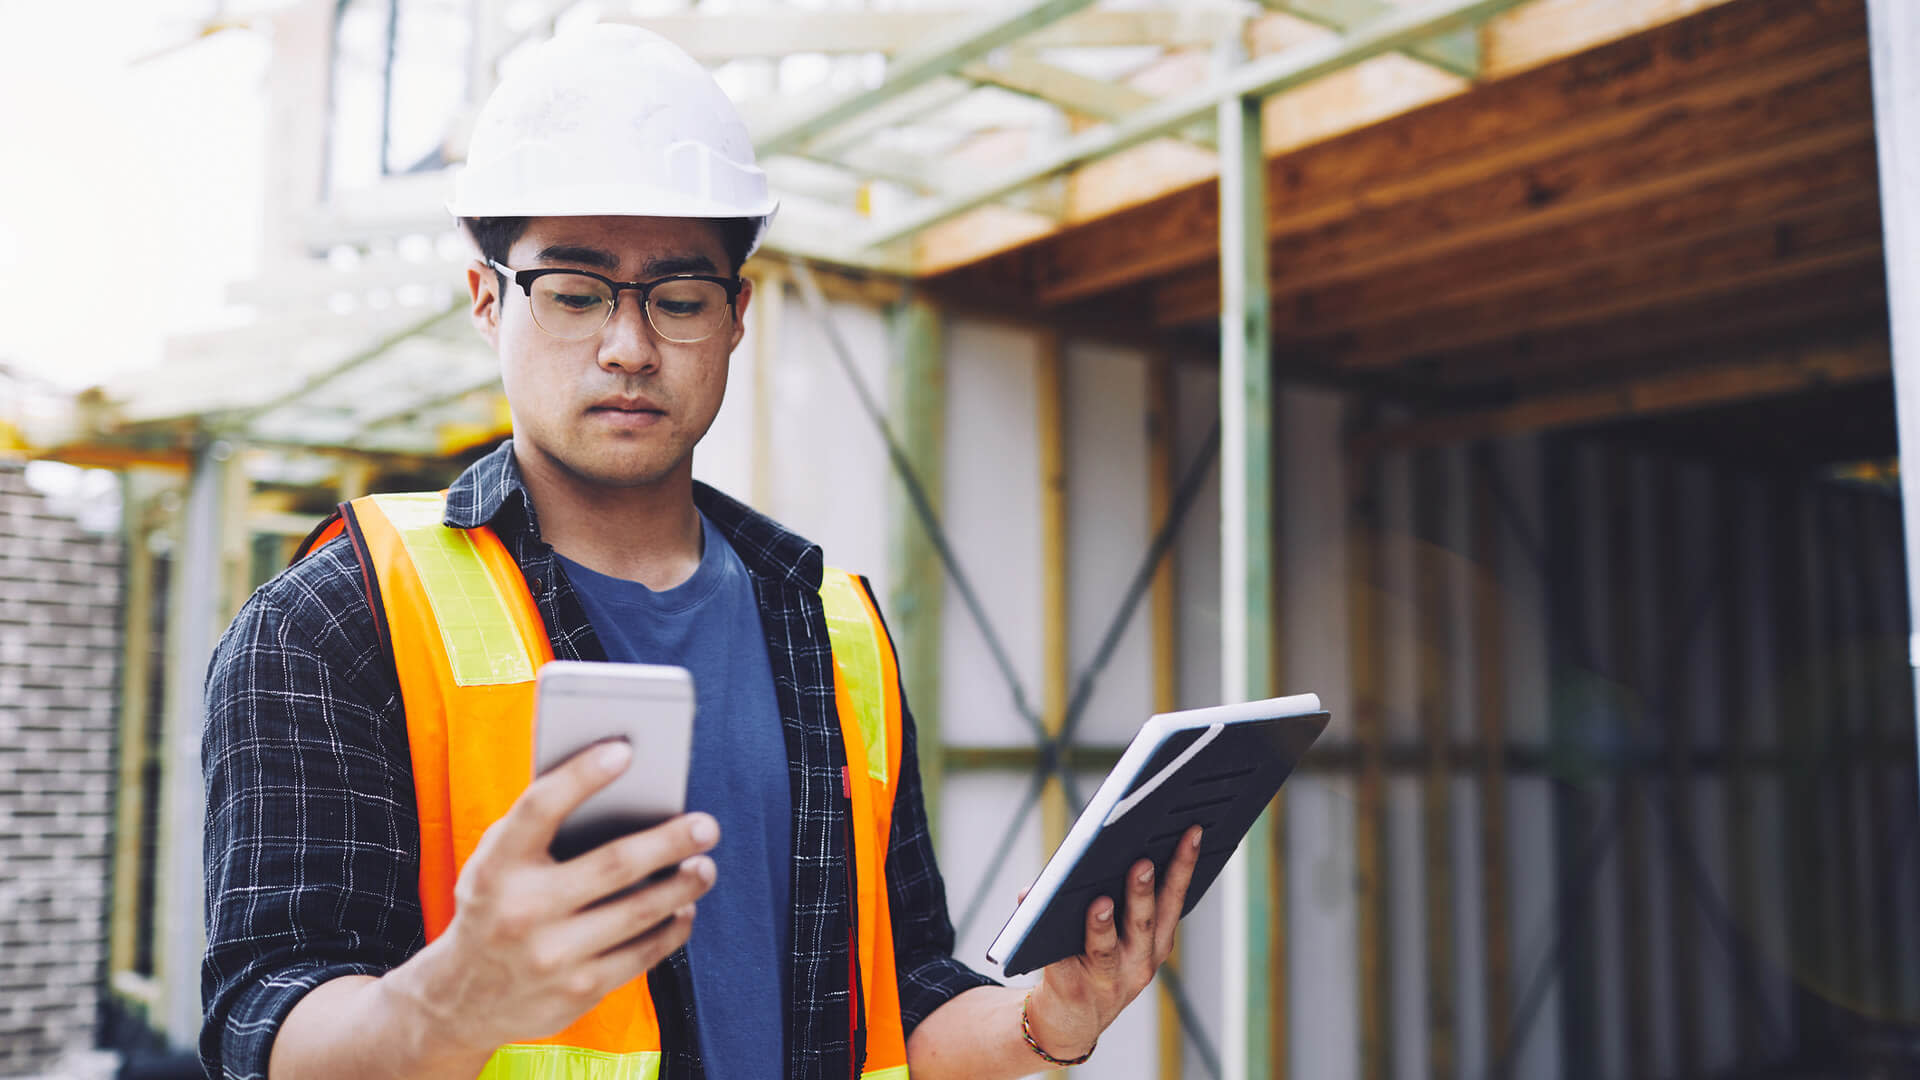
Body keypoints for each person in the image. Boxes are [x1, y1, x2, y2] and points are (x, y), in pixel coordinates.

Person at [201, 24, 1200, 1080]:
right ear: (488, 299)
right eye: (575, 292)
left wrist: (1050, 1018)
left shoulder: (836, 630)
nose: (629, 347)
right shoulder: (336, 621)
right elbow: (263, 1025)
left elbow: (900, 999)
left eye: (677, 300)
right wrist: (454, 998)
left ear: (734, 318)